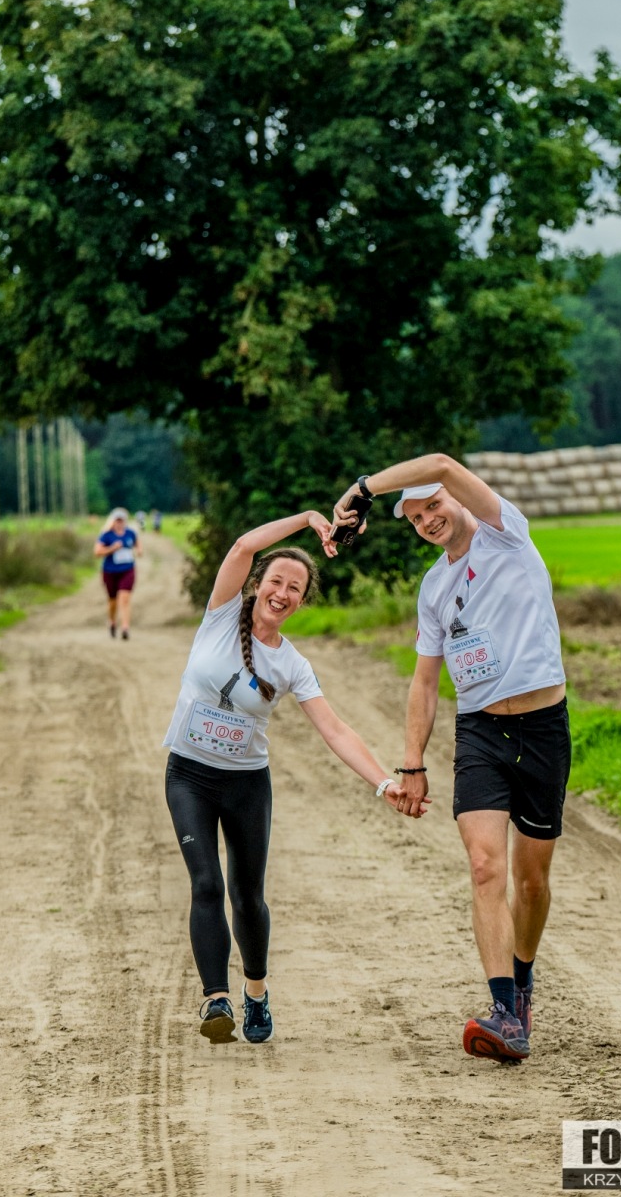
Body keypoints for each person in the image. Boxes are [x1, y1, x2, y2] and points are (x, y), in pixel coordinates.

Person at [332, 456, 569, 1065]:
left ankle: (522, 980)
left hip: (543, 726)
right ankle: (505, 1013)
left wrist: (361, 489)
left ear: (457, 498)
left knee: (531, 881)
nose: (428, 521)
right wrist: (411, 761)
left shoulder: (505, 533)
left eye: (433, 506)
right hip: (481, 732)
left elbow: (439, 462)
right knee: (486, 868)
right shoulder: (434, 588)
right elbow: (425, 681)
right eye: (415, 519)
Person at [162, 507, 426, 1046]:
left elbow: (335, 730)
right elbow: (242, 546)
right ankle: (216, 999)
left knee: (247, 896)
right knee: (206, 883)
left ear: (302, 602)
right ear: (257, 584)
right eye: (276, 581)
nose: (282, 593)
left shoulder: (292, 665)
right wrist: (307, 519)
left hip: (245, 785)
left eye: (295, 588)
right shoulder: (220, 615)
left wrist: (384, 783)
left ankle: (256, 992)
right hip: (188, 776)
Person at [94, 507, 142, 640]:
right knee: (113, 600)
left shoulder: (130, 533)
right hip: (110, 571)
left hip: (127, 570)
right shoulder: (106, 535)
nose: (120, 523)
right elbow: (97, 552)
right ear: (113, 521)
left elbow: (137, 543)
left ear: (125, 521)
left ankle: (125, 627)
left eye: (122, 520)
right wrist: (112, 548)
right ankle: (112, 621)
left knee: (125, 598)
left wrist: (139, 550)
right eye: (117, 520)